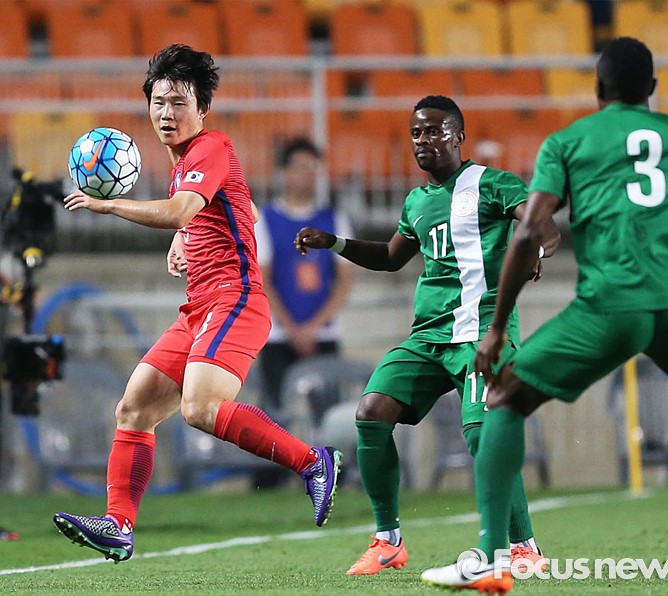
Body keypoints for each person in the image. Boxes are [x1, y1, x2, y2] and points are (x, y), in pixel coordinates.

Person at [421, 37, 668, 592]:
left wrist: (496, 328)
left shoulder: (568, 141)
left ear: (597, 88)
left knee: (504, 397)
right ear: (652, 88)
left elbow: (529, 230)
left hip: (608, 307)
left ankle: (494, 555)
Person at [52, 44, 342, 564]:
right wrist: (187, 233)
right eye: (159, 102)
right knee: (134, 408)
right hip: (198, 308)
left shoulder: (209, 146)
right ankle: (118, 526)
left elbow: (180, 208)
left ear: (202, 109)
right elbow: (245, 209)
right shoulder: (188, 162)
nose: (167, 113)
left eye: (179, 103)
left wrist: (111, 206)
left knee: (200, 408)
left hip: (237, 300)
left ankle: (313, 462)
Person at [295, 96, 559, 576]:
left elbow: (542, 224)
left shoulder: (492, 183)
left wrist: (536, 246)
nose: (423, 140)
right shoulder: (417, 201)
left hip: (482, 333)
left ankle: (525, 548)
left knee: (483, 435)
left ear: (458, 136)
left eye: (434, 131)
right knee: (371, 412)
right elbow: (391, 257)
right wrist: (334, 243)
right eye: (416, 133)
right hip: (428, 337)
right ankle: (388, 541)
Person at [252, 138, 353, 489]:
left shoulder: (332, 218)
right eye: (301, 167)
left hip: (323, 335)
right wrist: (292, 327)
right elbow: (264, 279)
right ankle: (268, 482)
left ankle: (333, 478)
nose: (308, 175)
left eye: (313, 168)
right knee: (273, 413)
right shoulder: (266, 220)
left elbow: (343, 281)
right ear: (284, 172)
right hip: (279, 336)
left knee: (329, 413)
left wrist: (312, 327)